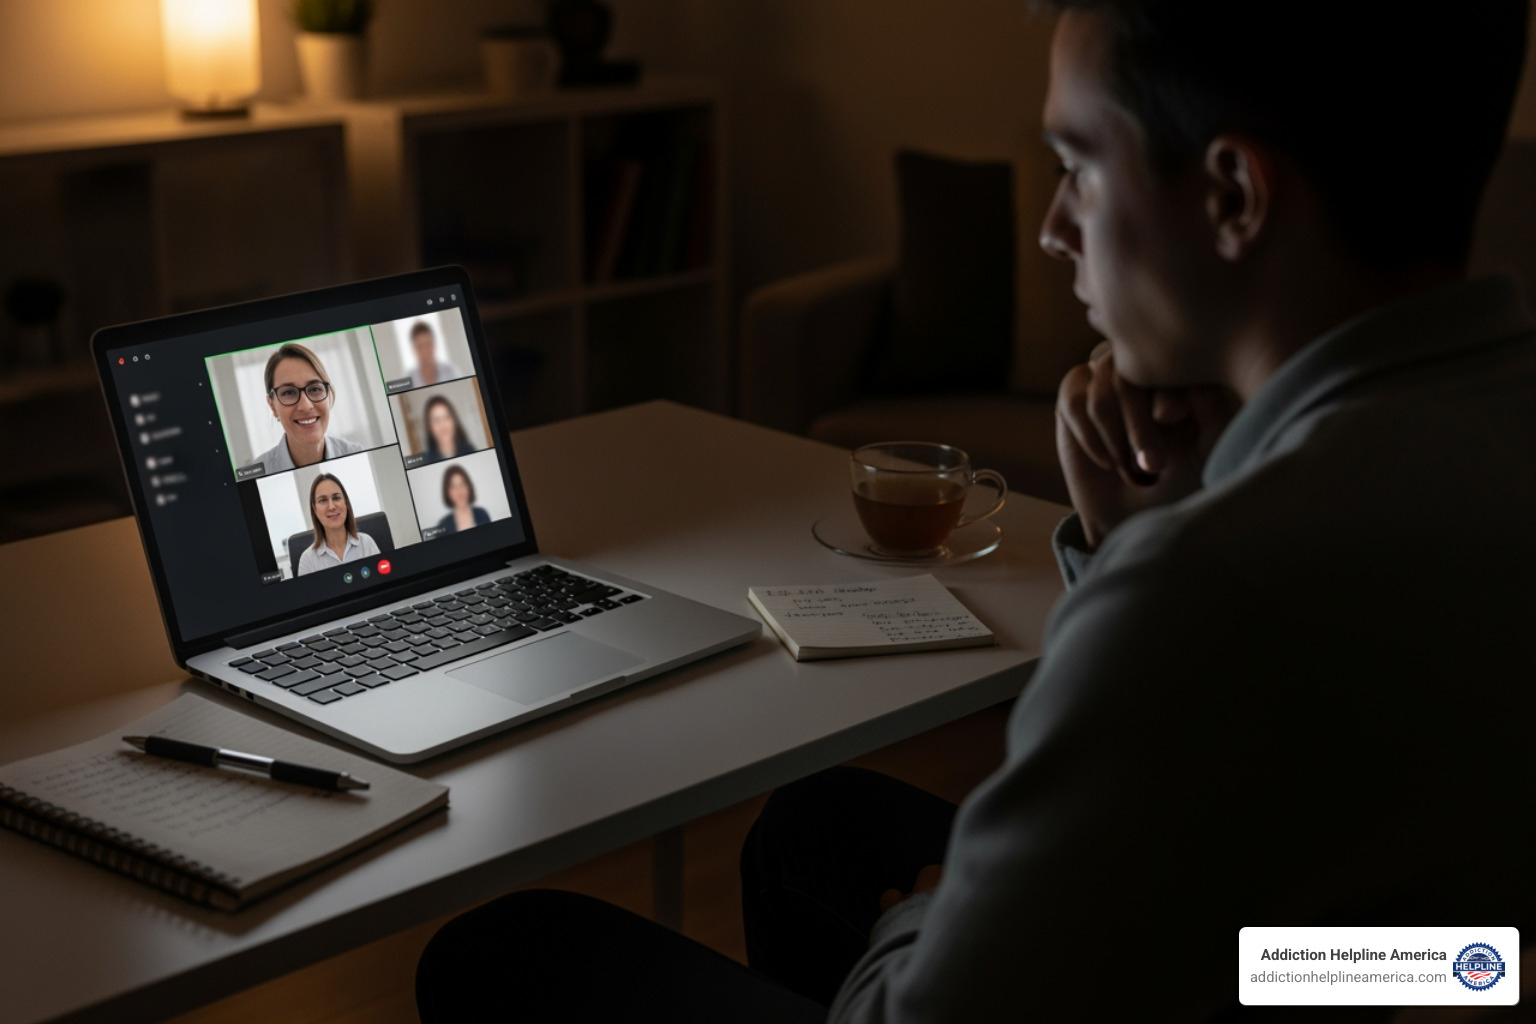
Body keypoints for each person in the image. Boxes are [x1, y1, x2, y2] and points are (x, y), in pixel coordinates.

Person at [415, 1, 1536, 1021]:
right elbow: (1470, 954)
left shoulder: (1219, 585)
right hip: (1376, 973)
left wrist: (924, 919)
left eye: (1077, 167)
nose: (1054, 229)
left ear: (1235, 197)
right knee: (820, 826)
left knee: (509, 951)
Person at [252, 343, 364, 474]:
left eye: (315, 389)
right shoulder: (257, 473)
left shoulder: (357, 456)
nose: (305, 406)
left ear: (329, 395)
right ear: (273, 406)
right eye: (288, 392)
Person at [295, 472, 380, 576]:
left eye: (336, 498)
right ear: (314, 509)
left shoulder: (366, 544)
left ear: (346, 503)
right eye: (323, 501)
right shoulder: (308, 561)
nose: (331, 507)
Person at [419, 395, 477, 464]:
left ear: (454, 421)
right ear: (430, 428)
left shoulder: (469, 450)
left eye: (446, 417)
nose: (443, 425)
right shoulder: (426, 460)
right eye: (437, 420)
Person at [435, 464, 491, 535]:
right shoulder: (442, 526)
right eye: (454, 486)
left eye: (462, 484)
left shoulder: (482, 514)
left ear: (469, 487)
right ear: (448, 492)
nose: (459, 490)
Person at [408, 321, 462, 388]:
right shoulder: (409, 379)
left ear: (434, 345)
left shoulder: (451, 371)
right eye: (420, 346)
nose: (425, 351)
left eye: (428, 344)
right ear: (414, 349)